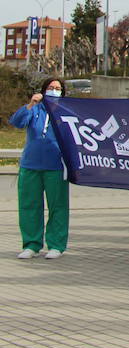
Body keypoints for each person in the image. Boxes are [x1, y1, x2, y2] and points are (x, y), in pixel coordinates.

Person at [12, 78, 69, 260]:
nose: (54, 90)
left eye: (58, 88)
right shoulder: (35, 108)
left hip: (56, 166)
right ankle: (31, 244)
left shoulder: (66, 110)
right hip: (31, 165)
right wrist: (30, 104)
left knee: (57, 206)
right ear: (44, 90)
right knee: (29, 205)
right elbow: (17, 122)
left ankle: (56, 245)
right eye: (51, 88)